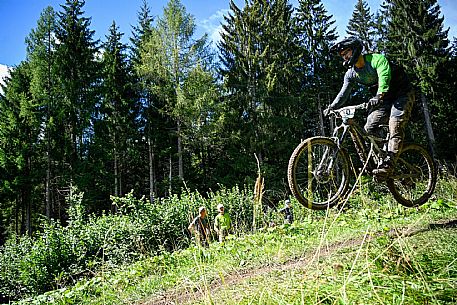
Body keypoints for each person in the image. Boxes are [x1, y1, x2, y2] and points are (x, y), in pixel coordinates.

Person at [324, 37, 415, 176]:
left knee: (394, 125)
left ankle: (389, 165)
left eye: (346, 53)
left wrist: (379, 95)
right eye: (342, 55)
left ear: (355, 50)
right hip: (384, 100)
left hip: (402, 94)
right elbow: (343, 94)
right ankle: (382, 158)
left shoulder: (376, 59)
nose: (345, 57)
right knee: (368, 129)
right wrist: (332, 107)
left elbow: (384, 76)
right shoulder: (351, 74)